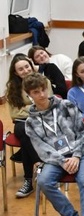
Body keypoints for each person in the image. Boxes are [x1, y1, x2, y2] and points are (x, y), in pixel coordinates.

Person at [23, 73, 84, 216]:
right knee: (43, 181)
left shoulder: (66, 105)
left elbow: (83, 133)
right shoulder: (30, 122)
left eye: (43, 89)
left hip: (83, 151)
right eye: (36, 92)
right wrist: (63, 161)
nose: (41, 94)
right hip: (56, 159)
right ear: (29, 95)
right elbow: (41, 148)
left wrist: (76, 156)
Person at [5, 54, 53, 198]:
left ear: (32, 66)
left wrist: (27, 108)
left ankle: (28, 181)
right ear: (16, 73)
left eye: (27, 66)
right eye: (21, 69)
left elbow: (48, 104)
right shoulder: (12, 88)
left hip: (44, 120)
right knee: (25, 130)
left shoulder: (44, 81)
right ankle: (40, 163)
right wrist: (34, 107)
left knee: (27, 138)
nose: (25, 70)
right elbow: (14, 114)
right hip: (23, 123)